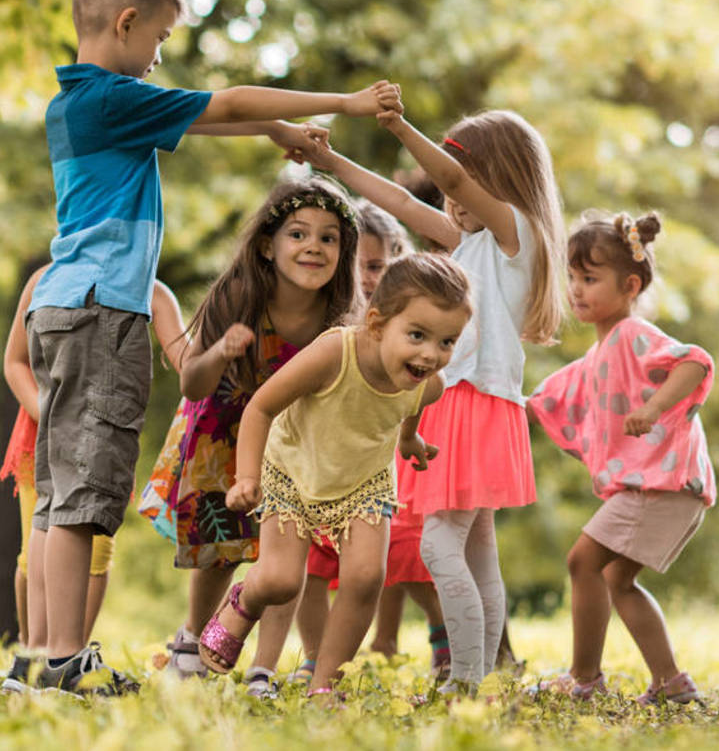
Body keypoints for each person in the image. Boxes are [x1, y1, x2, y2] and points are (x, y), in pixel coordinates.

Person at [24, 0, 399, 695]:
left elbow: (212, 119)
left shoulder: (77, 104)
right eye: (160, 38)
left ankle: (44, 656)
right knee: (88, 496)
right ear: (126, 22)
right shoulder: (110, 97)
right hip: (103, 313)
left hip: (65, 307)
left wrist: (272, 134)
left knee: (64, 493)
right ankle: (62, 660)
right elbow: (223, 102)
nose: (161, 56)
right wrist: (345, 104)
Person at [288, 108, 565, 691]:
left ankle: (464, 682)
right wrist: (329, 162)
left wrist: (398, 126)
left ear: (504, 179)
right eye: (447, 189)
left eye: (460, 183)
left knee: (440, 548)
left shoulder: (517, 235)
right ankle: (481, 679)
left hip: (474, 405)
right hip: (459, 405)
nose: (449, 198)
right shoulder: (471, 245)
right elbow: (402, 204)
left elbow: (460, 183)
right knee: (478, 552)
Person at [195, 254, 474, 697]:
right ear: (378, 323)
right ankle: (243, 599)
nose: (430, 354)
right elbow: (261, 407)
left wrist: (408, 441)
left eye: (447, 342)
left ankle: (325, 686)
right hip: (293, 470)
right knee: (282, 580)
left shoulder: (429, 383)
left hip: (365, 482)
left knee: (366, 578)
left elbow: (413, 405)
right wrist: (246, 477)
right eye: (417, 335)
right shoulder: (334, 352)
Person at [135, 177, 360, 697]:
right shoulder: (240, 295)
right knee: (222, 548)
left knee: (285, 554)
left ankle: (263, 668)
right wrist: (220, 351)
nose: (313, 247)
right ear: (268, 244)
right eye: (298, 234)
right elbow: (192, 382)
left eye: (329, 238)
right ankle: (191, 642)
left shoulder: (340, 314)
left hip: (294, 441)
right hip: (224, 430)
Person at [528, 212, 717, 705]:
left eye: (589, 279)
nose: (576, 289)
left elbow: (694, 361)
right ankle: (672, 683)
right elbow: (548, 398)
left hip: (663, 483)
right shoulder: (599, 353)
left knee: (582, 561)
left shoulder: (633, 334)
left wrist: (653, 407)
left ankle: (584, 678)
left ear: (629, 284)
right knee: (615, 579)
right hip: (663, 486)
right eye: (572, 277)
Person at [0, 266, 187, 693]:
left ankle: (70, 656)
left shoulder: (150, 290)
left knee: (95, 549)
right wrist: (51, 418)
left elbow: (186, 357)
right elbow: (14, 363)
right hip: (41, 439)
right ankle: (32, 654)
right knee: (35, 552)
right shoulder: (44, 280)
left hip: (102, 439)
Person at [287, 203, 454, 685]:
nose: (365, 277)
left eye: (378, 266)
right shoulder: (325, 320)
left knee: (401, 557)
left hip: (375, 469)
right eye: (358, 264)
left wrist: (409, 436)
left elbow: (423, 388)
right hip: (316, 466)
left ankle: (441, 632)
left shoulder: (408, 330)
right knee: (313, 567)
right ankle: (318, 659)